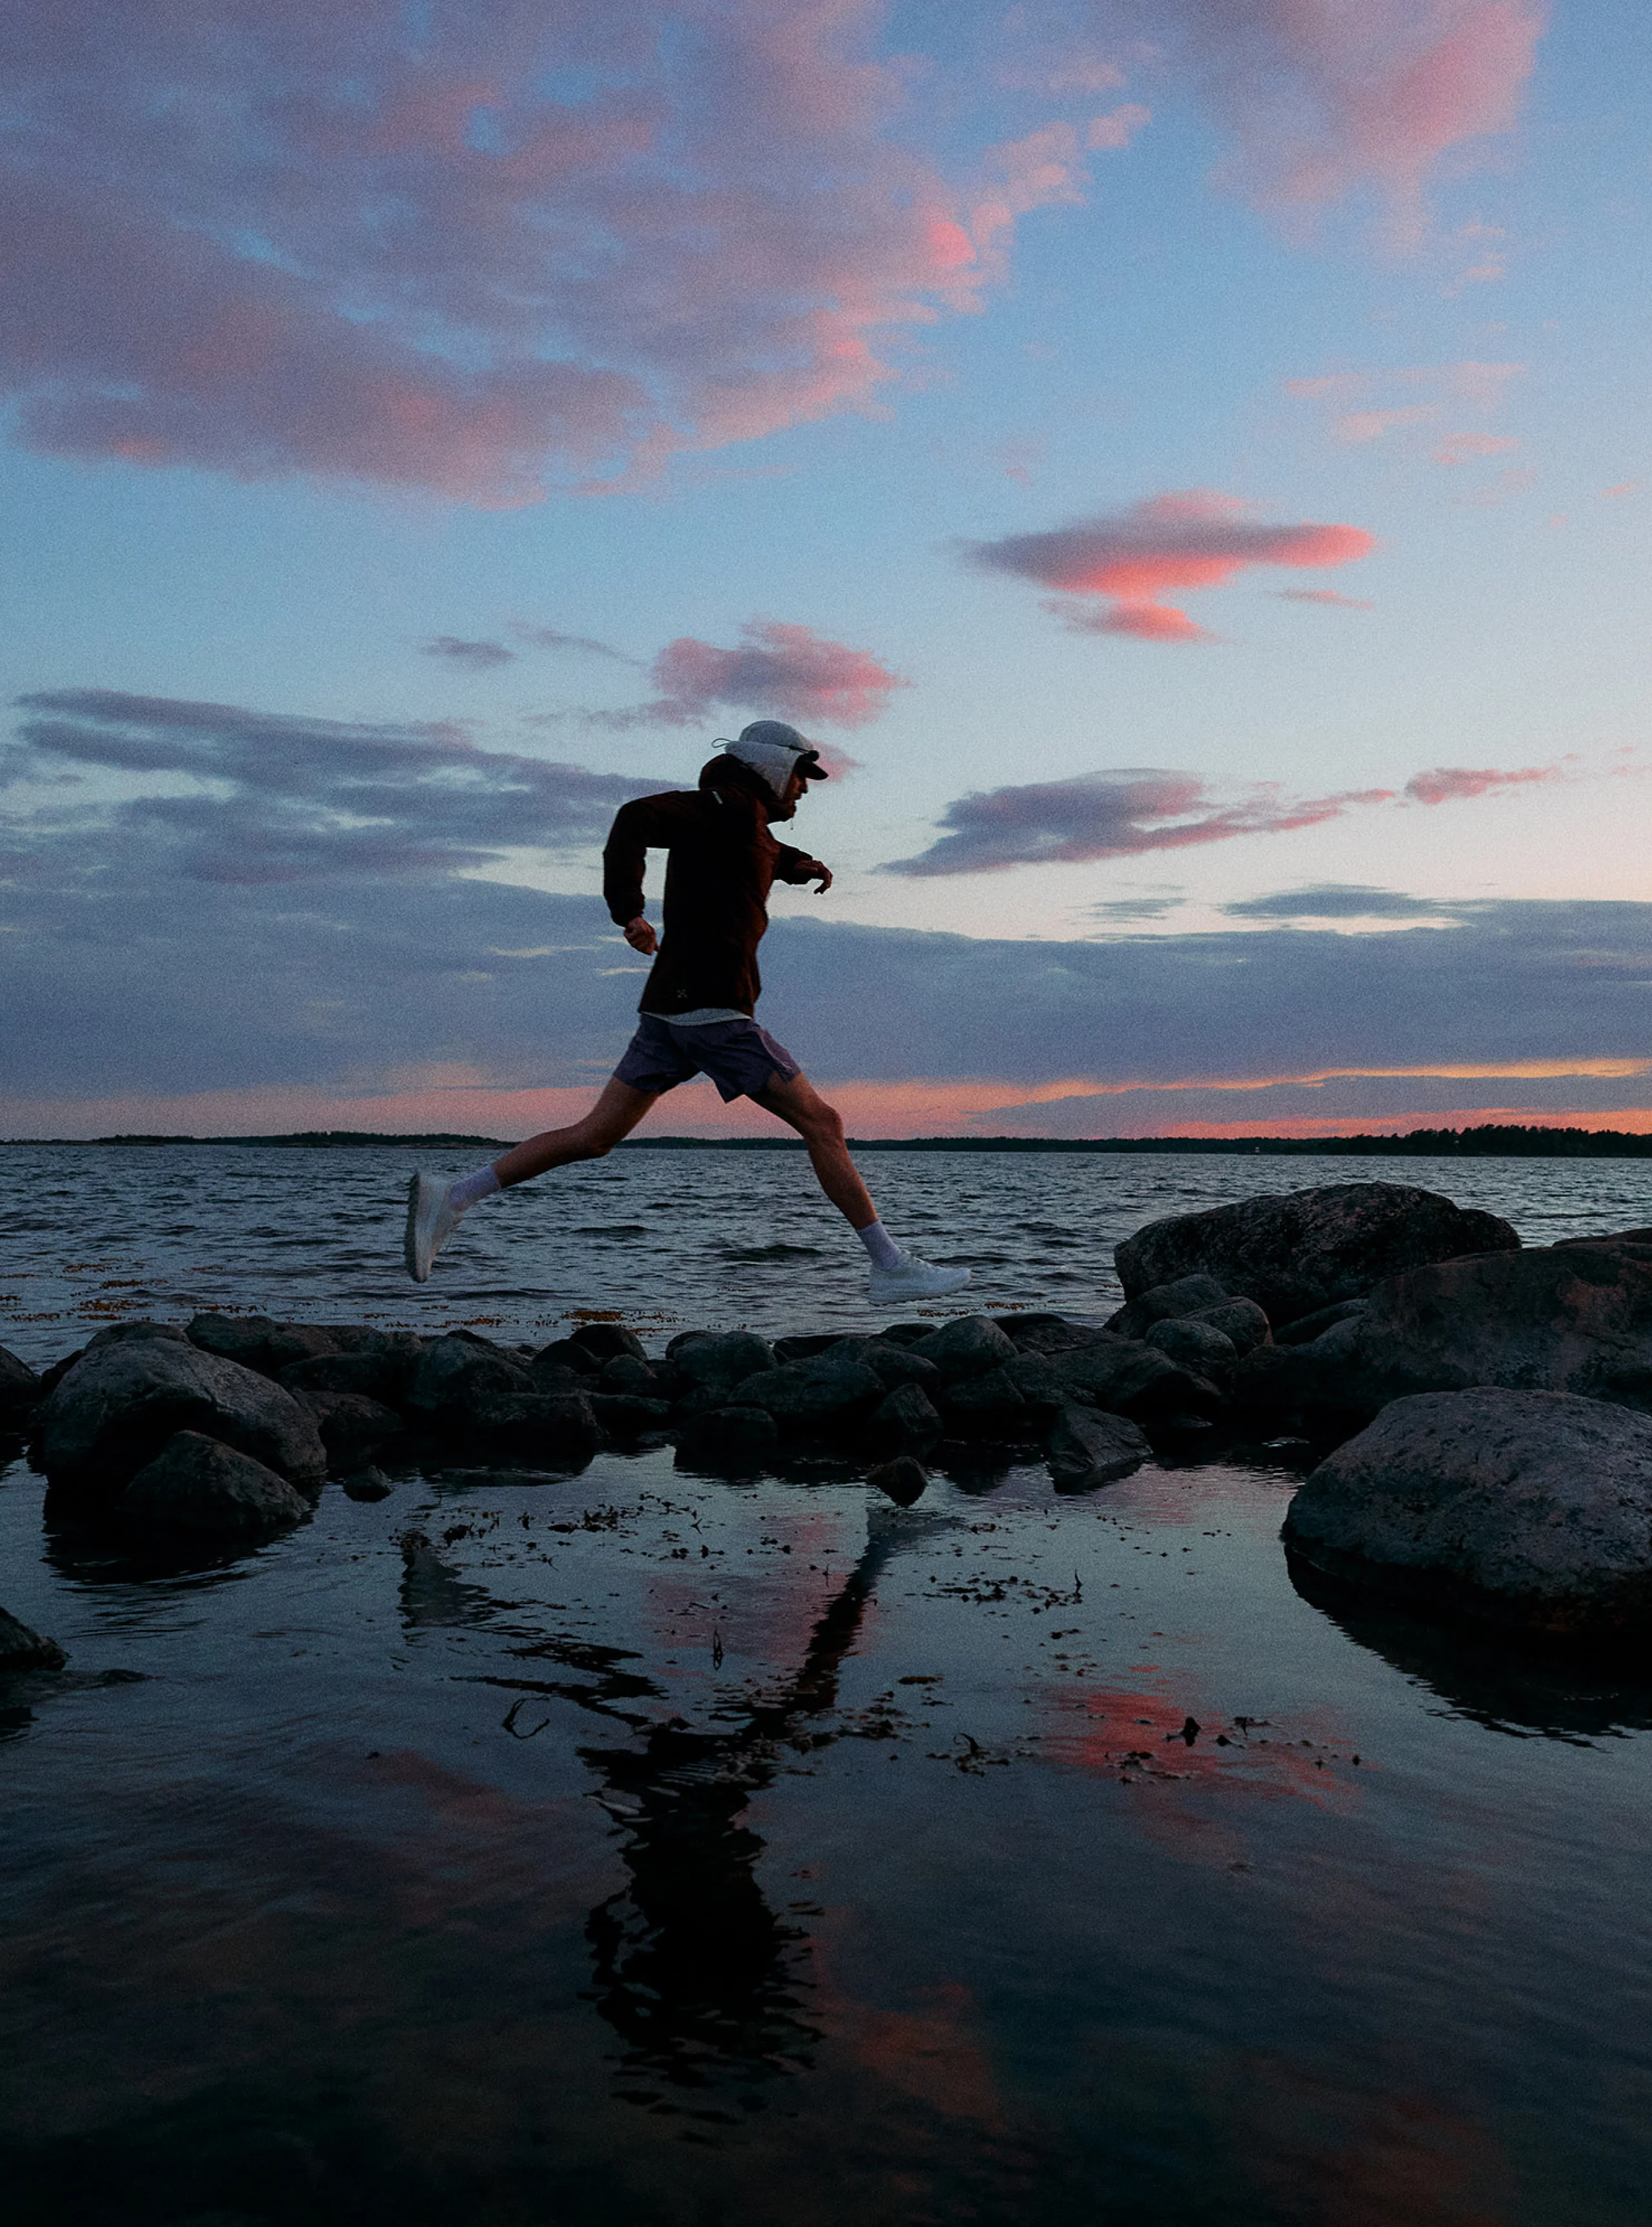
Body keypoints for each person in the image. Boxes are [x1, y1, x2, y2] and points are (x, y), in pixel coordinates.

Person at [404, 719, 971, 1304]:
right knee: (823, 1124)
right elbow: (635, 818)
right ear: (774, 765)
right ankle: (889, 1266)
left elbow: (754, 852)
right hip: (711, 1008)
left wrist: (797, 863)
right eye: (802, 777)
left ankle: (452, 1198)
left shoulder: (742, 821)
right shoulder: (723, 806)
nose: (805, 791)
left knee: (595, 1136)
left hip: (669, 1010)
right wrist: (629, 911)